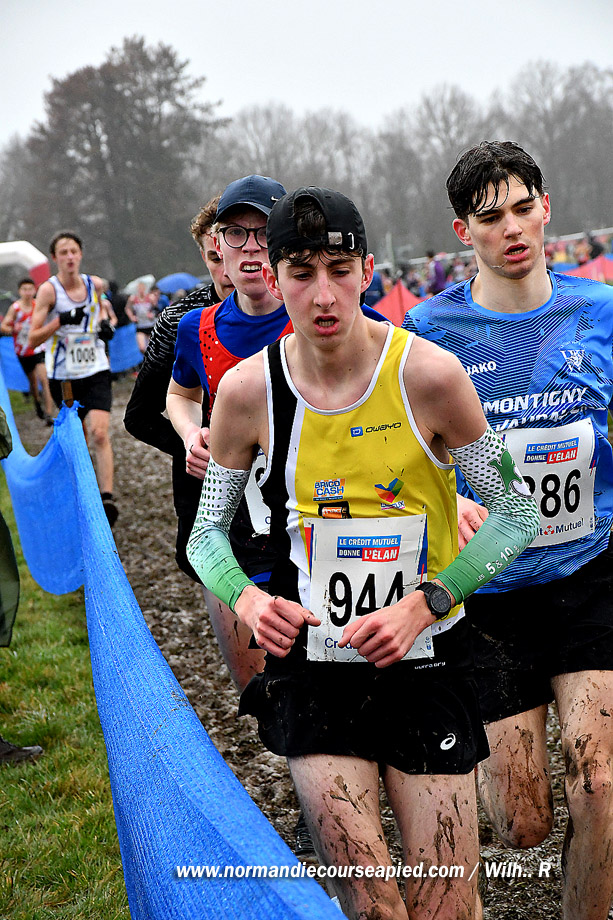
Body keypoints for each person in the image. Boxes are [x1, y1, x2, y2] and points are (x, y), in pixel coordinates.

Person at [186, 186, 539, 919]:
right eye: (301, 272)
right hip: (315, 668)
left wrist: (426, 603)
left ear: (368, 272)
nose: (323, 295)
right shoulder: (247, 392)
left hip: (427, 662)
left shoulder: (430, 375)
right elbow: (205, 534)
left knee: (445, 902)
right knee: (369, 900)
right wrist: (248, 599)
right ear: (273, 276)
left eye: (339, 271)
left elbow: (515, 513)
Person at [403, 140, 613, 920]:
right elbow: (398, 450)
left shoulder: (600, 312)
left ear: (545, 208)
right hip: (489, 593)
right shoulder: (430, 330)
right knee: (521, 824)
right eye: (490, 218)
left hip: (590, 572)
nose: (512, 228)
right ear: (463, 231)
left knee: (599, 782)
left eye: (523, 208)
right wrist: (444, 501)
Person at [124, 194, 234, 582]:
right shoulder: (179, 320)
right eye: (215, 257)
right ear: (203, 256)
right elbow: (138, 417)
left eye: (236, 252)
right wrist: (193, 444)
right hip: (203, 478)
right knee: (207, 565)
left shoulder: (289, 308)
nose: (228, 269)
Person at [28, 231, 119, 527]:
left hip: (96, 369)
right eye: (63, 252)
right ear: (54, 258)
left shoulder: (95, 284)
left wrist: (107, 325)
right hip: (64, 376)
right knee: (77, 439)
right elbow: (32, 338)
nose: (69, 257)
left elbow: (104, 312)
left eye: (73, 251)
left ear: (80, 254)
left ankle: (107, 498)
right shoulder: (49, 292)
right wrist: (60, 321)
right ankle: (83, 493)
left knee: (100, 433)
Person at [1, 279, 54, 425]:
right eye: (24, 289)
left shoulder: (38, 305)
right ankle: (37, 402)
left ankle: (49, 414)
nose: (28, 293)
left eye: (30, 289)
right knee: (33, 382)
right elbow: (3, 326)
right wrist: (13, 328)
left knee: (45, 379)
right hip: (23, 351)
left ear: (34, 291)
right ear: (20, 291)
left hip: (39, 348)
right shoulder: (15, 308)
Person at [126, 281, 156, 353]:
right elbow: (127, 308)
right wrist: (131, 317)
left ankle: (150, 358)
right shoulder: (133, 299)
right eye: (139, 288)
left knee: (152, 347)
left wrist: (152, 314)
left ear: (145, 289)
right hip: (140, 326)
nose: (141, 290)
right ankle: (146, 357)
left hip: (150, 324)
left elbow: (157, 309)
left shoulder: (150, 298)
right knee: (142, 348)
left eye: (142, 288)